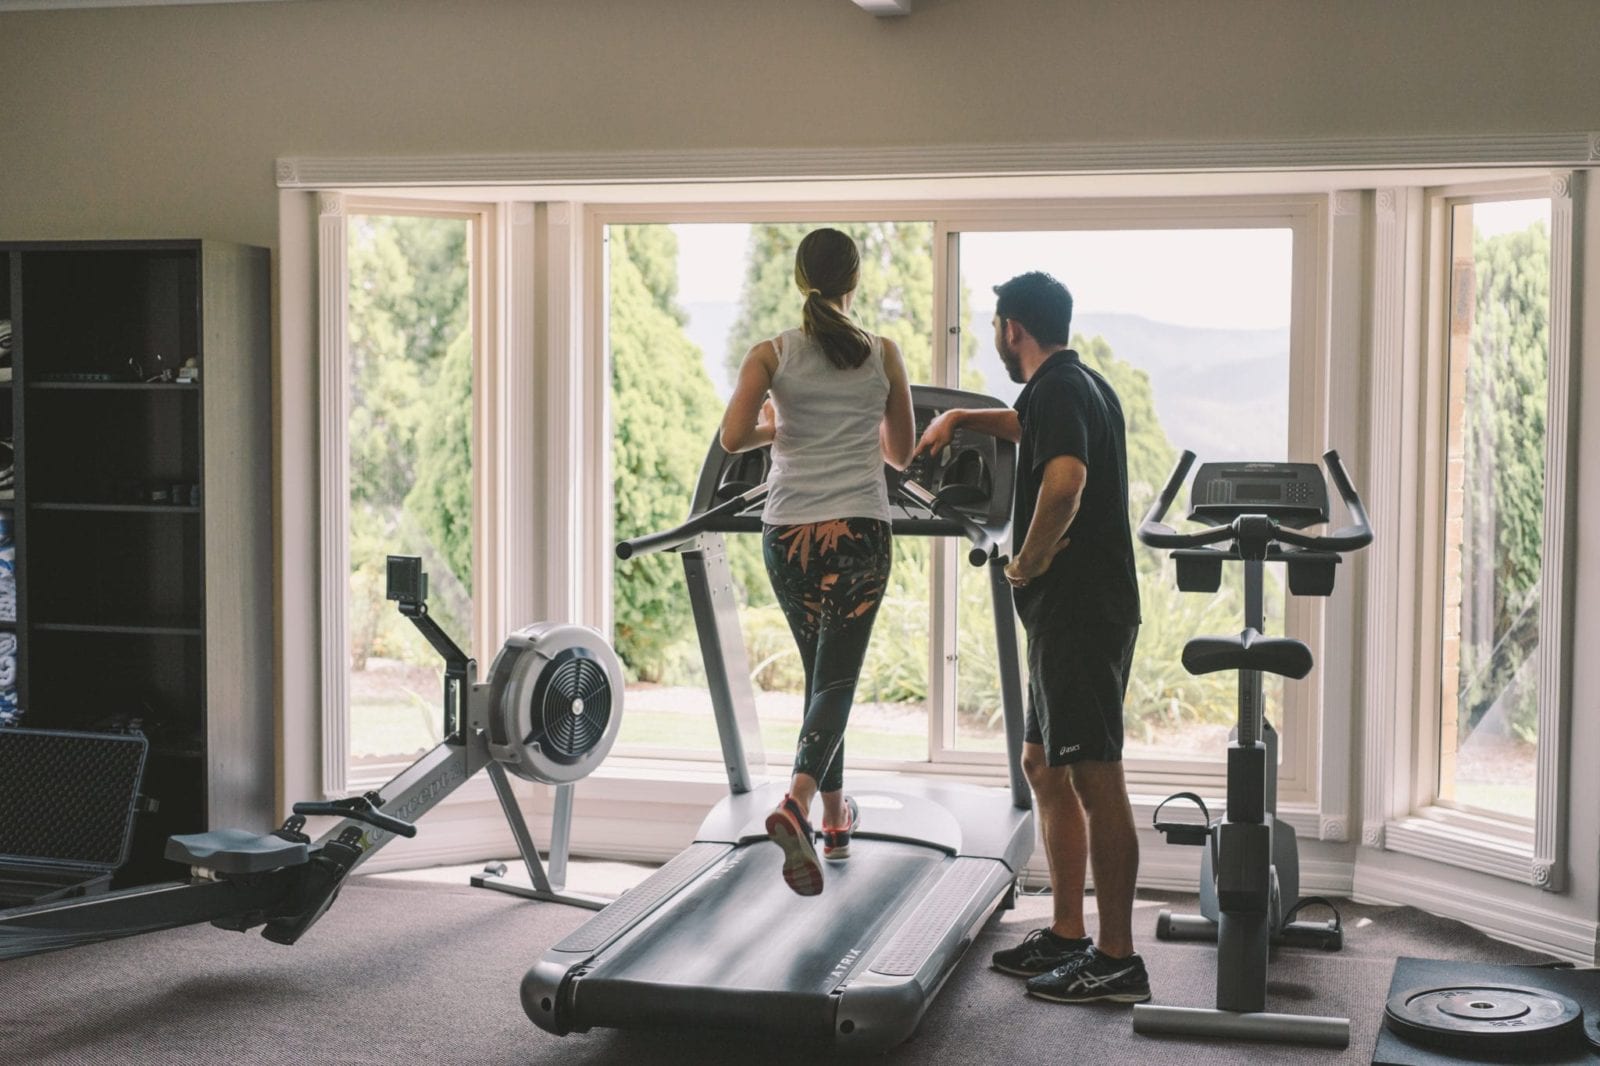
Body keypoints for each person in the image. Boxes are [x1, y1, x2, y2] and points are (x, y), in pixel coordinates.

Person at [913, 271, 1150, 1004]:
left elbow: (1066, 479)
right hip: (1068, 613)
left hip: (1080, 610)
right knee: (1043, 765)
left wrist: (1032, 557)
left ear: (1013, 327)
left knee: (1095, 773)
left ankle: (1117, 959)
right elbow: (1028, 427)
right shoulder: (1072, 387)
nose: (994, 336)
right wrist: (960, 421)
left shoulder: (1060, 391)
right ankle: (1070, 932)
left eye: (995, 325)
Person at [719, 227, 916, 897]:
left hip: (788, 535)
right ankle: (796, 806)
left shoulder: (771, 354)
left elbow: (733, 435)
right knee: (835, 681)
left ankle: (834, 818)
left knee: (821, 677)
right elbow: (902, 454)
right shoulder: (882, 353)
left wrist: (780, 423)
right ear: (853, 282)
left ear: (801, 278)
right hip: (859, 530)